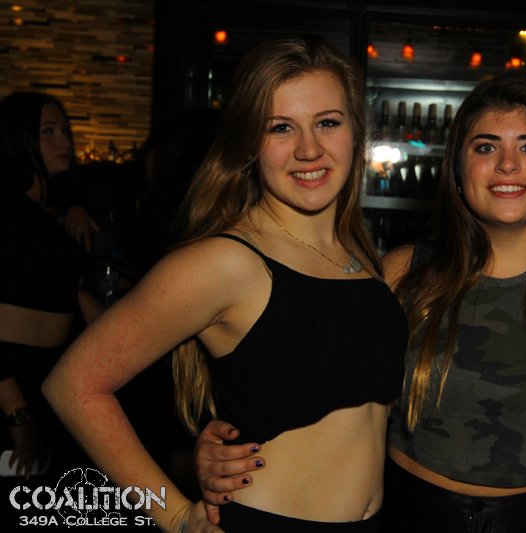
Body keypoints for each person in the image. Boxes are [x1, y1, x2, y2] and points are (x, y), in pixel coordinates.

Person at [196, 79, 526, 532]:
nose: (508, 164)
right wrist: (231, 445)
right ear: (456, 171)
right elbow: (322, 402)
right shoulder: (401, 274)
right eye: (486, 147)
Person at [43, 34, 408, 533]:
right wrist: (174, 515)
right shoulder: (225, 262)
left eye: (328, 122)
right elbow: (73, 386)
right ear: (248, 143)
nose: (309, 148)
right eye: (280, 127)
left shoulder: (356, 254)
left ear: (355, 131)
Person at [0, 92, 103, 483]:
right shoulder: (8, 208)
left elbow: (27, 275)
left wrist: (77, 295)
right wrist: (17, 413)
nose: (63, 141)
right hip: (11, 381)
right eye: (47, 132)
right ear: (17, 138)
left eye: (64, 130)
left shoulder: (46, 204)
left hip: (46, 377)